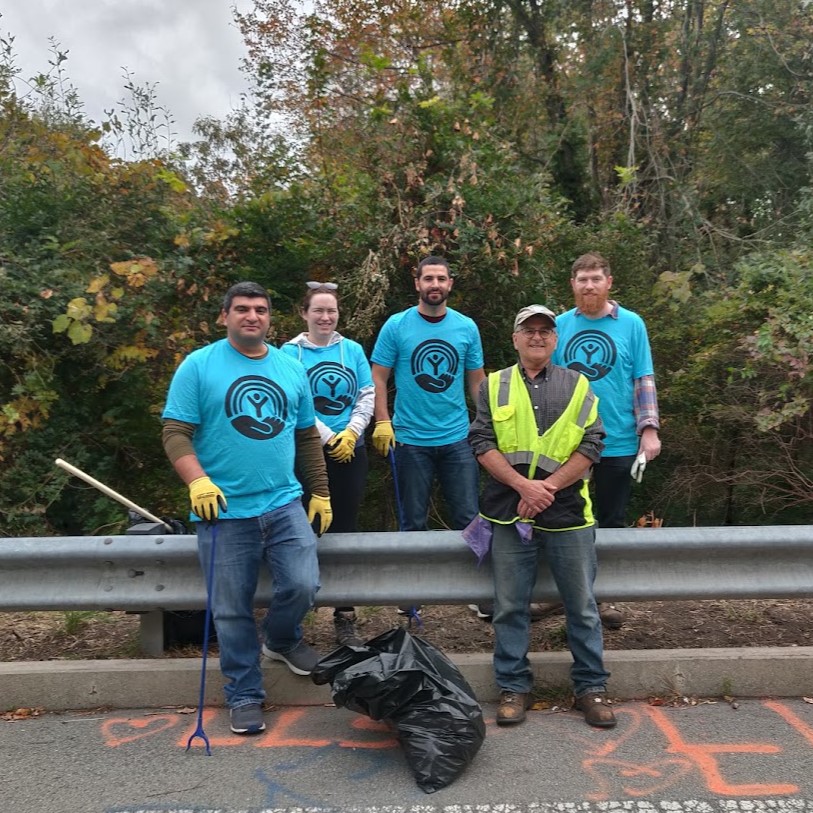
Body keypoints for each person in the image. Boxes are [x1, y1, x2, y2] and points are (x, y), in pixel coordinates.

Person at [161, 281, 332, 736]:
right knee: (231, 610)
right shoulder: (198, 366)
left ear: (271, 317)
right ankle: (245, 694)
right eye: (242, 309)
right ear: (224, 316)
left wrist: (320, 491)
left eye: (260, 309)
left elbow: (305, 436)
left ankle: (280, 639)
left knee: (303, 583)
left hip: (283, 502)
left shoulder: (291, 367)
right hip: (223, 511)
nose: (251, 316)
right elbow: (175, 432)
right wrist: (197, 480)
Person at [468, 305, 616, 729]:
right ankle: (514, 687)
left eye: (544, 331)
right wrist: (523, 487)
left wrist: (545, 489)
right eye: (528, 330)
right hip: (509, 512)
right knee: (510, 607)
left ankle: (591, 687)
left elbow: (592, 443)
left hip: (568, 512)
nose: (537, 337)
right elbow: (480, 440)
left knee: (582, 608)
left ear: (556, 339)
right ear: (514, 339)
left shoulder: (578, 384)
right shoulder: (493, 386)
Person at [370, 256, 485, 617]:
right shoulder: (396, 325)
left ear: (450, 284)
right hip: (409, 439)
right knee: (412, 520)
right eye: (428, 278)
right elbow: (378, 377)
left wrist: (484, 426)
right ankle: (411, 593)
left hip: (457, 437)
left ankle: (480, 592)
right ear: (417, 283)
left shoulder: (466, 327)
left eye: (441, 279)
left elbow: (477, 381)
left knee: (470, 516)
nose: (434, 284)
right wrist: (382, 421)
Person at [552, 252, 661, 628]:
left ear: (609, 282)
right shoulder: (559, 325)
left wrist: (649, 430)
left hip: (618, 439)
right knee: (565, 520)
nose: (589, 285)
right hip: (569, 443)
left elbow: (642, 378)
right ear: (573, 285)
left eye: (596, 278)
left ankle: (604, 598)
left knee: (612, 520)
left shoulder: (631, 324)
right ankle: (560, 595)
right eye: (582, 279)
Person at [282, 282, 374, 647]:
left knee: (346, 528)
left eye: (331, 311)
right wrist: (327, 437)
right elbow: (294, 401)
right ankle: (297, 610)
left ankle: (345, 612)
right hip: (307, 450)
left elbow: (367, 394)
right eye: (318, 310)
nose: (325, 317)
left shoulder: (351, 349)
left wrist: (351, 433)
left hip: (351, 451)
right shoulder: (288, 354)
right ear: (304, 313)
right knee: (301, 529)